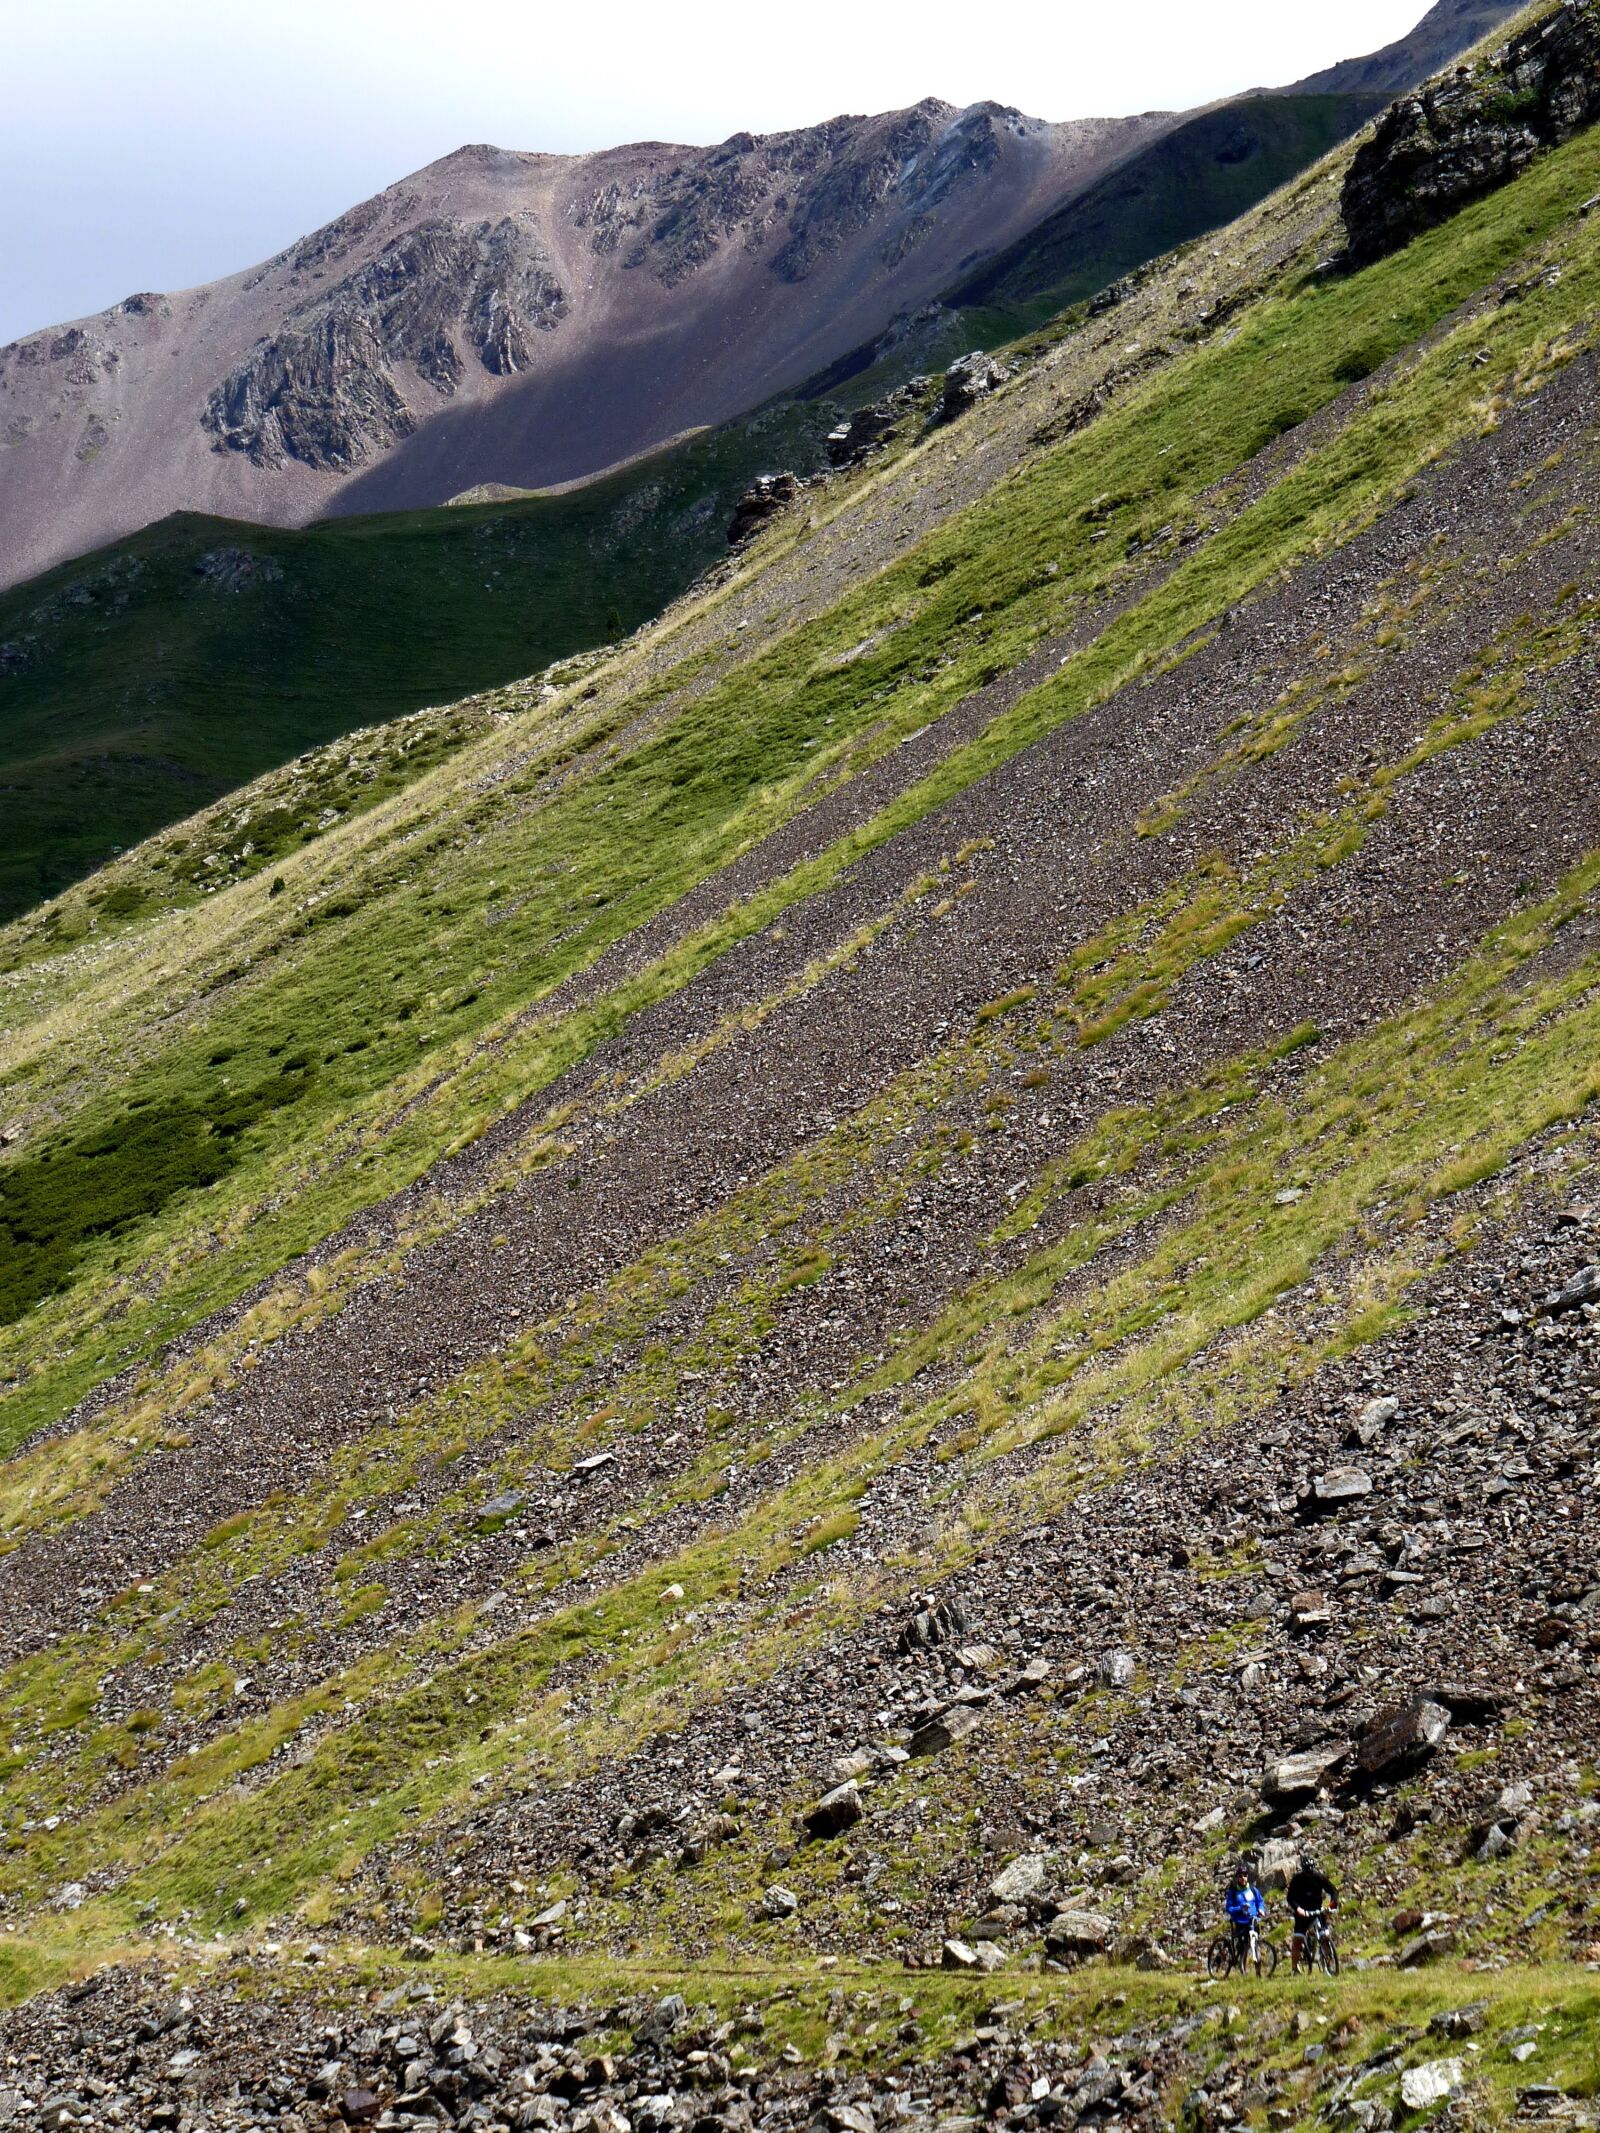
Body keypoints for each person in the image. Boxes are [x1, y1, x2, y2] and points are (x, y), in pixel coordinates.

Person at [1287, 1852, 1340, 1970]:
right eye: (1307, 1871)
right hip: (1302, 1913)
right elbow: (1290, 1897)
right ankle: (1294, 1968)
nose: (1309, 1874)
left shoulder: (1318, 1877)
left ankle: (1328, 1962)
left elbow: (1333, 1890)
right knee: (1298, 1940)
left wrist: (1333, 1903)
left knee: (1325, 1935)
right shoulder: (1297, 1879)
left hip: (1317, 1910)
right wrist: (1298, 1909)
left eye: (1311, 1871)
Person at [1224, 1861, 1268, 1962]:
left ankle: (1257, 1970)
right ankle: (1242, 1967)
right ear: (1237, 1877)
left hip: (1253, 1921)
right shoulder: (1233, 1892)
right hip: (1240, 1922)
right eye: (1240, 1875)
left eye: (1245, 1875)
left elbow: (1260, 1901)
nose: (1243, 1878)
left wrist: (1261, 1909)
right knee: (1242, 1946)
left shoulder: (1253, 1890)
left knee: (1255, 1943)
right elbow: (1229, 1908)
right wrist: (1240, 1908)